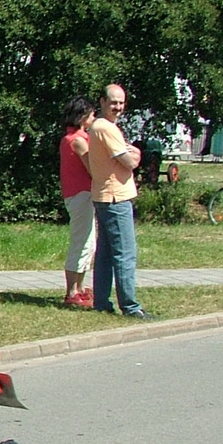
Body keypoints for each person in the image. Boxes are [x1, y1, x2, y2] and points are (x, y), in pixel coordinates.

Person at [88, 83, 151, 319]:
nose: (118, 107)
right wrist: (135, 154)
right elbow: (130, 161)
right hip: (115, 197)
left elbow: (128, 155)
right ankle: (131, 306)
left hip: (105, 196)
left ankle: (101, 301)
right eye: (113, 102)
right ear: (102, 102)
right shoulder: (105, 127)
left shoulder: (101, 127)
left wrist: (132, 153)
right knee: (125, 252)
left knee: (105, 253)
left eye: (121, 103)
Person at [58, 96, 97, 308]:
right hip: (81, 194)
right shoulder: (78, 140)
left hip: (81, 193)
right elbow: (92, 167)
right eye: (91, 114)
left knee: (89, 243)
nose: (94, 118)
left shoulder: (72, 138)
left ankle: (80, 287)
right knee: (82, 242)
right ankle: (72, 290)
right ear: (82, 117)